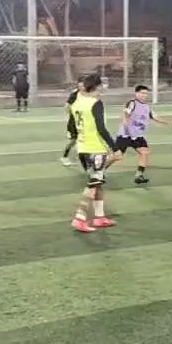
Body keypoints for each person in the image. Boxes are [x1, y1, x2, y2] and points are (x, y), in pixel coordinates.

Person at [69, 74, 120, 232]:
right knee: (93, 184)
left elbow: (73, 126)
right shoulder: (95, 103)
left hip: (82, 148)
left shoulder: (76, 103)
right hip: (95, 148)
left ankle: (99, 217)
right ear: (97, 86)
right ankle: (79, 218)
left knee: (97, 183)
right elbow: (101, 128)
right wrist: (115, 147)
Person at [115, 84, 172, 184]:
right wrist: (126, 124)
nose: (144, 95)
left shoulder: (146, 107)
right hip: (126, 135)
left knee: (144, 152)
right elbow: (126, 113)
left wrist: (167, 122)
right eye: (142, 93)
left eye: (146, 93)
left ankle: (139, 175)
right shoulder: (132, 103)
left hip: (138, 136)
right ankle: (99, 170)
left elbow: (155, 117)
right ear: (136, 93)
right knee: (116, 156)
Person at [60, 79, 84, 166]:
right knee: (73, 140)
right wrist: (71, 115)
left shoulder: (87, 93)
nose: (83, 87)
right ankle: (64, 157)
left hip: (83, 120)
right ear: (78, 85)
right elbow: (67, 106)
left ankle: (82, 156)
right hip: (74, 121)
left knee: (84, 139)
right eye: (81, 85)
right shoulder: (75, 94)